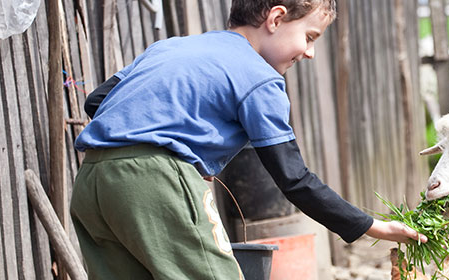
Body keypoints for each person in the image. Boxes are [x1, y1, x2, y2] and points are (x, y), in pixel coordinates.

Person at [70, 0, 427, 278]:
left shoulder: (170, 48)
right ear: (275, 19)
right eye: (309, 37)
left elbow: (98, 100)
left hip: (93, 182)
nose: (309, 52)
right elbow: (294, 179)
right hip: (155, 183)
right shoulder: (260, 78)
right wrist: (373, 226)